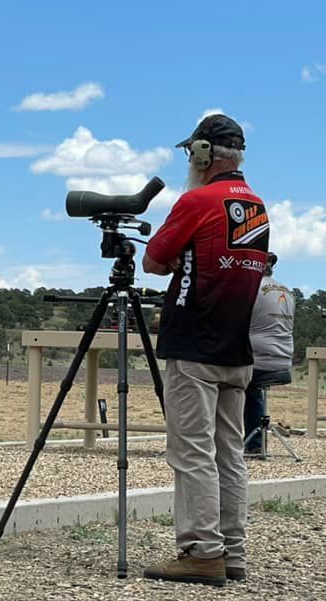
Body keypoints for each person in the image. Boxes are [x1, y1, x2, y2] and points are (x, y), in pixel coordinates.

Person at [141, 114, 269, 586]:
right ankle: (232, 552)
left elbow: (154, 258)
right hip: (237, 347)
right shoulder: (257, 207)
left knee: (191, 452)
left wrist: (179, 257)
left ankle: (201, 551)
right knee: (229, 452)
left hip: (194, 343)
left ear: (202, 154)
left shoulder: (197, 199)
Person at [244, 252, 295, 453]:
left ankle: (225, 444)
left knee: (222, 379)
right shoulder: (287, 291)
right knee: (253, 388)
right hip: (283, 362)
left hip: (257, 361)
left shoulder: (249, 290)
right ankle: (254, 443)